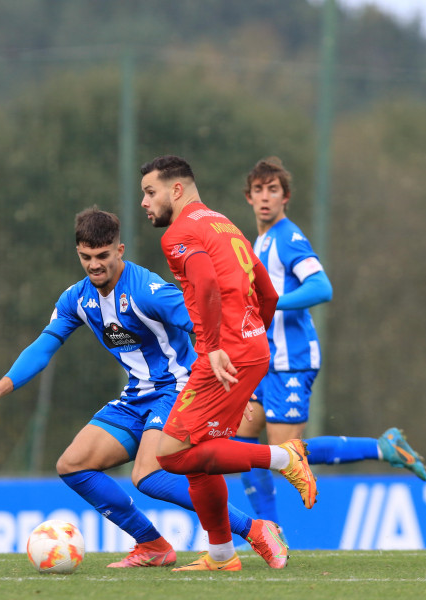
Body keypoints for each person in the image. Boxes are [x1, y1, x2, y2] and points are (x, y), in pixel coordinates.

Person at [0, 206, 289, 570]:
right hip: (136, 396)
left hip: (178, 390)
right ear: (78, 253)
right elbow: (45, 345)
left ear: (119, 251)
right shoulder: (77, 298)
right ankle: (152, 544)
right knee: (73, 465)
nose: (94, 265)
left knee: (148, 476)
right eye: (86, 257)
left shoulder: (148, 291)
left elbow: (205, 323)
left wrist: (231, 383)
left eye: (103, 256)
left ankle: (255, 529)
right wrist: (2, 387)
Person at [140, 155, 317, 573]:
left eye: (151, 192)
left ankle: (284, 458)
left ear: (177, 189)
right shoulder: (223, 223)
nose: (145, 203)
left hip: (224, 355)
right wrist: (253, 338)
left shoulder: (180, 234)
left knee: (170, 456)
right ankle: (222, 555)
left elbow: (203, 280)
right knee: (198, 455)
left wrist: (214, 344)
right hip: (251, 351)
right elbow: (268, 294)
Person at [234, 156, 426, 527]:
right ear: (248, 197)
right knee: (242, 445)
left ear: (285, 197)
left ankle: (384, 447)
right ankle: (269, 531)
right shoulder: (259, 242)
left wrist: (271, 304)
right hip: (264, 360)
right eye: (258, 190)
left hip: (293, 361)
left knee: (284, 455)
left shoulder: (288, 238)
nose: (264, 197)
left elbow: (322, 287)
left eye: (272, 190)